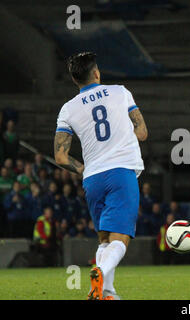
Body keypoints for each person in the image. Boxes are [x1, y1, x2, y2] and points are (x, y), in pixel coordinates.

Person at [54, 52, 148, 300]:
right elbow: (142, 132)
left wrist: (83, 168)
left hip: (93, 178)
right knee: (121, 238)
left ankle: (107, 291)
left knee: (104, 239)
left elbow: (61, 157)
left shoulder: (68, 109)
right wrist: (125, 134)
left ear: (76, 80)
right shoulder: (120, 92)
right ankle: (100, 271)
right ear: (96, 73)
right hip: (121, 172)